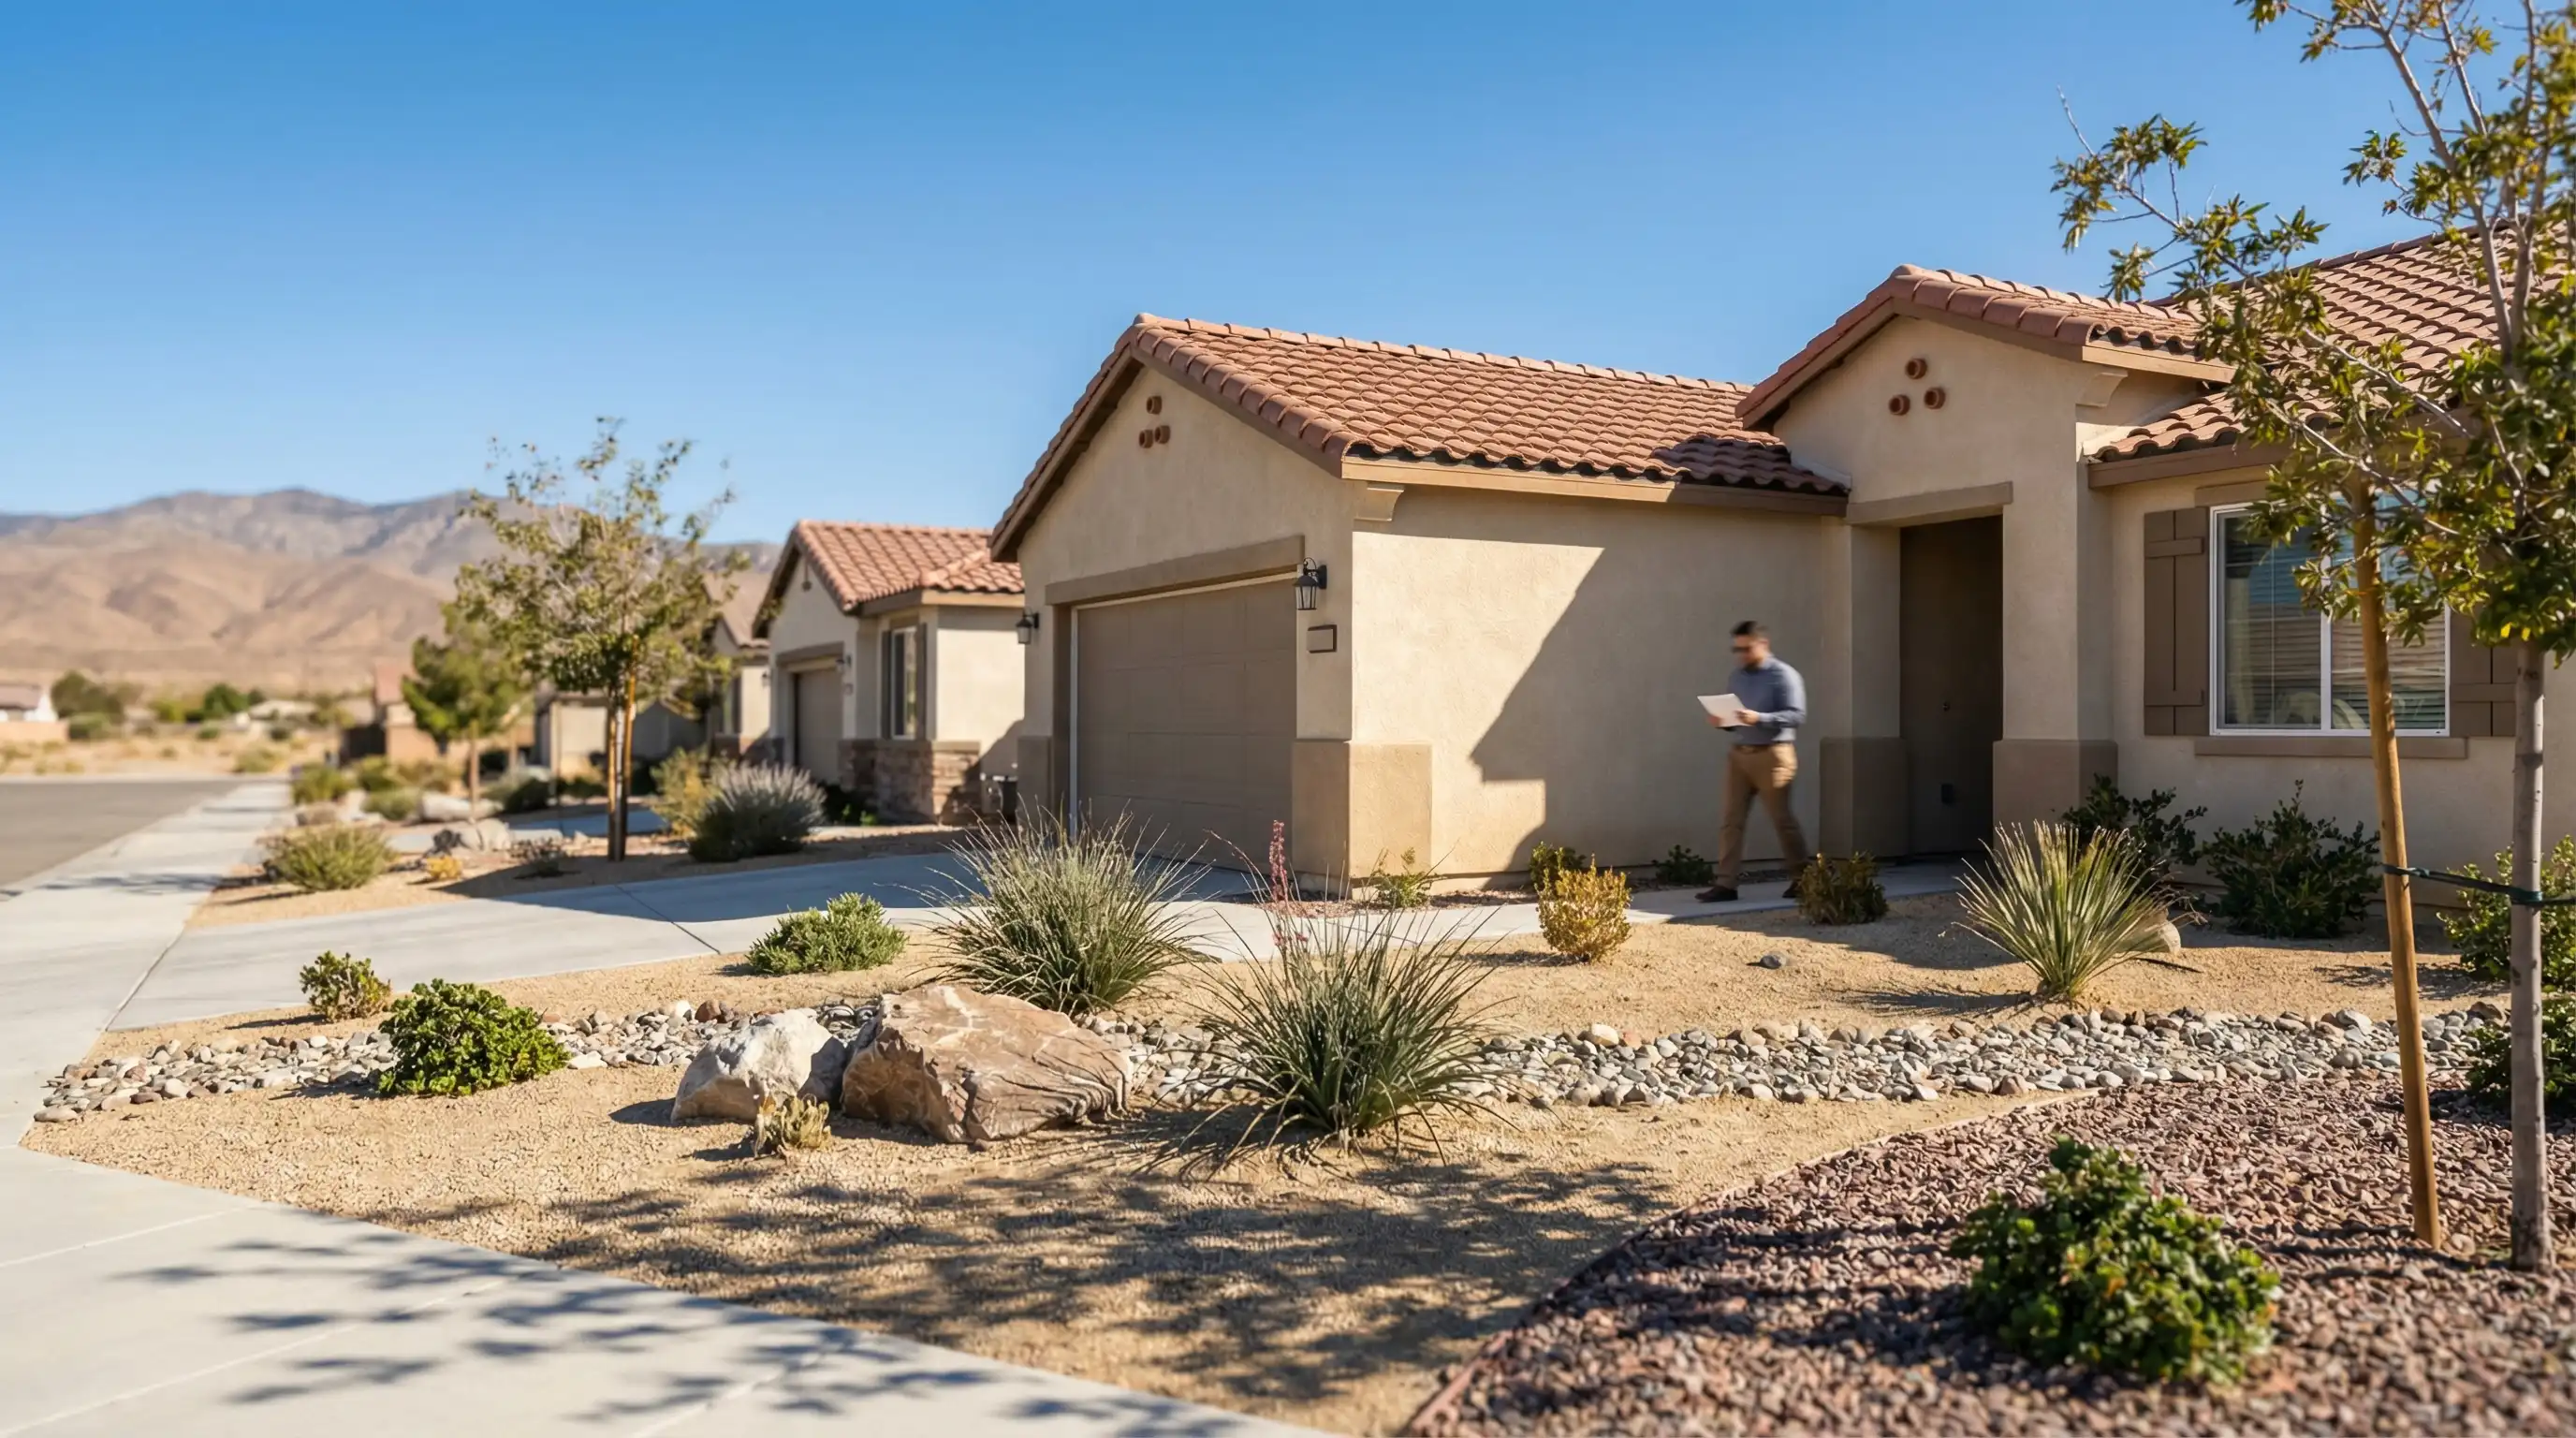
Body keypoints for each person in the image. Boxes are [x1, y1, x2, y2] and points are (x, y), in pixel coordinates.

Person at [1701, 619, 1808, 902]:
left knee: (1782, 820)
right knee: (1731, 821)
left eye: (1747, 649)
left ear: (1763, 644)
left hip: (1773, 755)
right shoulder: (1737, 677)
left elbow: (1796, 715)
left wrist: (1760, 718)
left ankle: (1804, 879)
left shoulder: (1784, 675)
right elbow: (1735, 720)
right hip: (1740, 755)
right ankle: (1726, 885)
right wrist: (1721, 721)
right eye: (1737, 650)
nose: (1742, 655)